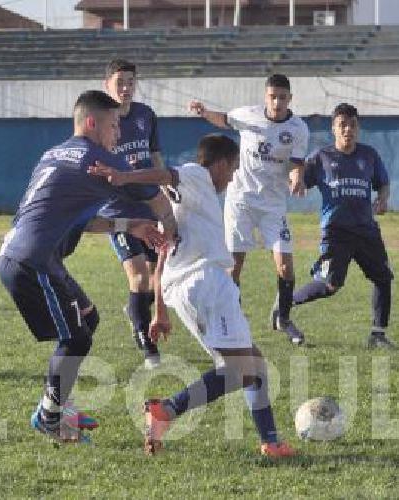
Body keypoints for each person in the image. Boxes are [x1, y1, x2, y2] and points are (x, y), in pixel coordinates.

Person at [88, 134, 298, 458]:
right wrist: (125, 177)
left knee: (251, 365)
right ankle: (167, 410)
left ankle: (270, 442)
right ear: (222, 162)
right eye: (232, 171)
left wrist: (159, 309)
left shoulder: (181, 202)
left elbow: (164, 252)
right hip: (205, 282)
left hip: (187, 286)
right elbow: (164, 174)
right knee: (246, 369)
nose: (230, 179)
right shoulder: (196, 175)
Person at [0, 90, 178, 443]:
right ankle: (50, 416)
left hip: (32, 256)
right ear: (92, 123)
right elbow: (152, 191)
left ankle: (57, 405)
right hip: (33, 261)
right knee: (76, 337)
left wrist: (130, 226)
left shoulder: (54, 154)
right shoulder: (95, 157)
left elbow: (82, 221)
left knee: (88, 318)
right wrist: (170, 223)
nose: (118, 135)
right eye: (113, 126)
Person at [188, 74, 310, 346]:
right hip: (240, 200)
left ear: (290, 99)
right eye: (272, 96)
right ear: (265, 96)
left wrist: (296, 177)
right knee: (234, 265)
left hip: (272, 205)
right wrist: (205, 112)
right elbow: (225, 120)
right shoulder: (249, 115)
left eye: (282, 97)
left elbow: (297, 163)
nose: (277, 102)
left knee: (285, 266)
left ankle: (284, 318)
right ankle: (233, 320)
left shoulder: (299, 129)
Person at [291, 103, 396, 349]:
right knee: (331, 284)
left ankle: (377, 335)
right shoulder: (321, 157)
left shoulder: (369, 155)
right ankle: (286, 303)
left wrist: (383, 197)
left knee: (383, 277)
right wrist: (295, 179)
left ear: (358, 128)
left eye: (353, 125)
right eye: (342, 125)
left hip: (366, 229)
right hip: (336, 231)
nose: (348, 130)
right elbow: (299, 177)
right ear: (334, 129)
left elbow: (383, 183)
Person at [97, 59, 167, 369]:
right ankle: (144, 338)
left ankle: (134, 310)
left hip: (148, 205)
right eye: (119, 82)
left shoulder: (145, 115)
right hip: (118, 210)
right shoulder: (101, 120)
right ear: (107, 85)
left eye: (130, 81)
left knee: (156, 278)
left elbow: (155, 157)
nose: (126, 88)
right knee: (139, 277)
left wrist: (164, 186)